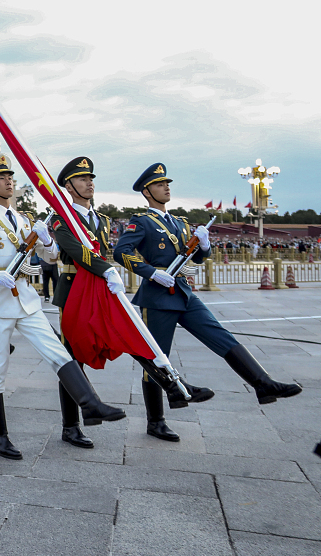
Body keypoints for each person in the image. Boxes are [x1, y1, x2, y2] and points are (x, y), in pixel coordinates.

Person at [0, 153, 125, 460]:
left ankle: (89, 403)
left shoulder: (26, 219)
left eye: (10, 177)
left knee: (57, 352)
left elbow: (52, 256)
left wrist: (46, 241)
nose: (9, 181)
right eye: (2, 178)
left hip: (26, 300)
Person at [114, 163, 301, 441]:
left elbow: (197, 259)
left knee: (221, 336)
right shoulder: (140, 221)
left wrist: (204, 246)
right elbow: (122, 252)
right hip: (157, 298)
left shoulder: (179, 222)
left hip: (184, 293)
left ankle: (262, 384)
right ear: (147, 191)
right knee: (156, 359)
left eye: (168, 183)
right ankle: (156, 421)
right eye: (160, 184)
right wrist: (152, 273)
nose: (167, 187)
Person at [51, 157, 208, 449]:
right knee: (74, 357)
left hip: (100, 288)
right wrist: (107, 269)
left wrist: (106, 274)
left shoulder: (103, 220)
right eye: (83, 179)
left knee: (130, 334)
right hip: (74, 290)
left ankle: (173, 386)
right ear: (69, 187)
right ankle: (71, 426)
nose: (90, 183)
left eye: (91, 178)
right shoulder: (60, 217)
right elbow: (76, 252)